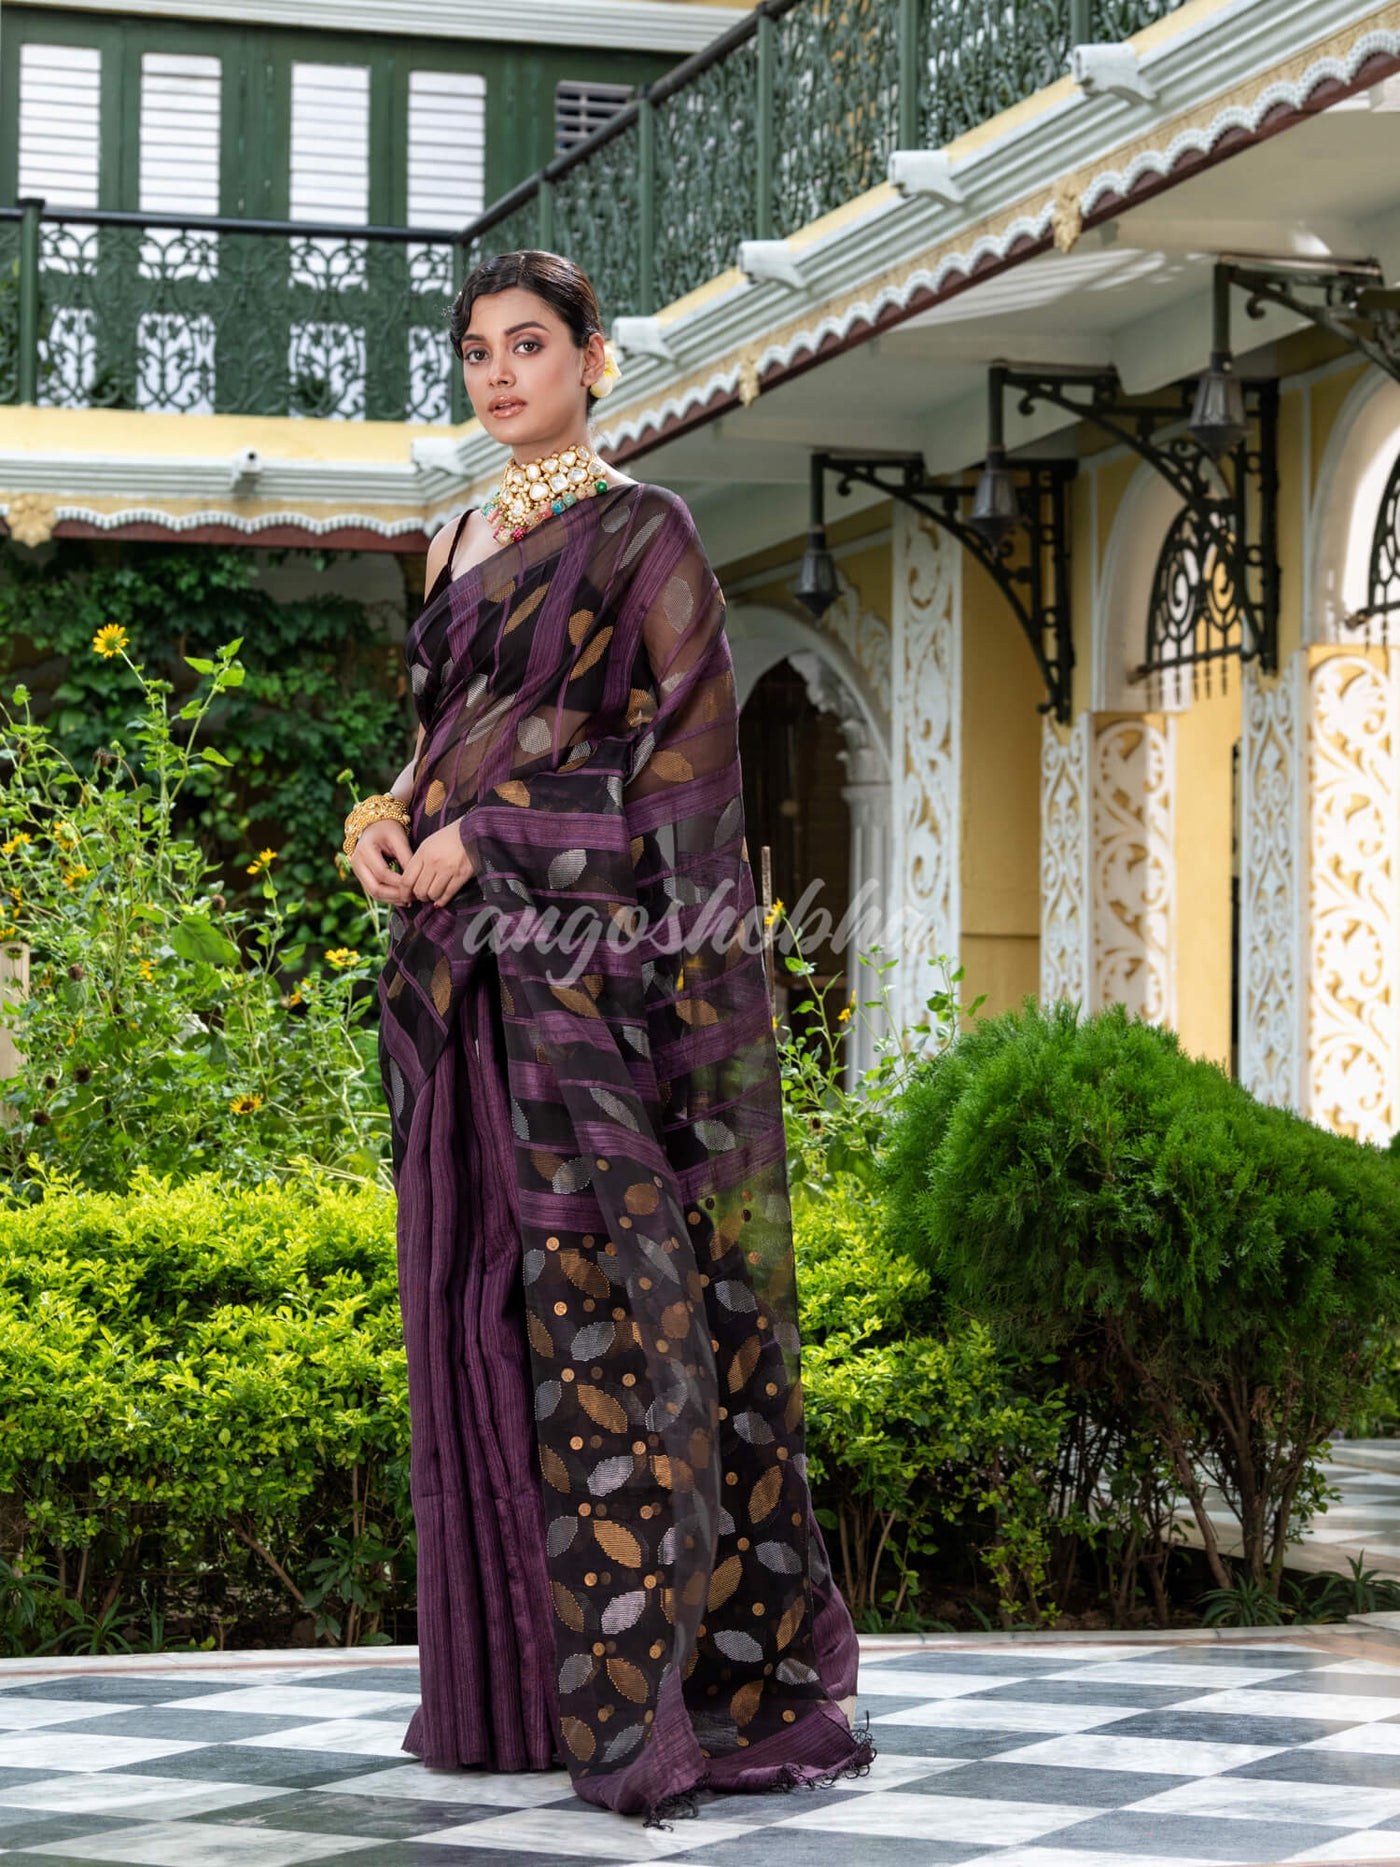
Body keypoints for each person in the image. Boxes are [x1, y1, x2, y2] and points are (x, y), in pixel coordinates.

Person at [345, 248, 873, 1827]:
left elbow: (681, 778)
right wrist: (386, 821)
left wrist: (500, 834)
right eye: (476, 352)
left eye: (529, 345)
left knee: (607, 1329)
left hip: (583, 996)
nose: (499, 375)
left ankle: (653, 1688)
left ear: (593, 360)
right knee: (473, 1322)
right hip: (457, 979)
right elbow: (434, 743)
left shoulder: (649, 535)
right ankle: (508, 1697)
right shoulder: (452, 540)